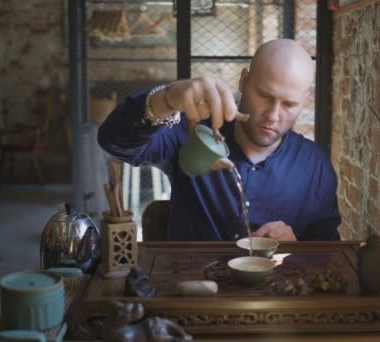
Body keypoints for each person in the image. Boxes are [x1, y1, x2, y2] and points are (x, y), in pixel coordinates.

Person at [98, 39, 341, 241]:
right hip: (189, 290)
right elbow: (113, 142)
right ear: (244, 80)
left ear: (306, 99)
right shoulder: (191, 133)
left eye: (289, 104)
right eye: (265, 96)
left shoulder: (315, 167)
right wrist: (168, 99)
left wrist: (297, 248)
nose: (273, 115)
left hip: (277, 294)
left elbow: (328, 254)